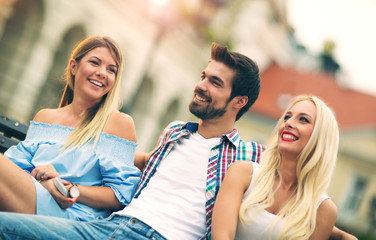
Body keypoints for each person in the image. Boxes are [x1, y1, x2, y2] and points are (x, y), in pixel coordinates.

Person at [0, 43, 356, 240]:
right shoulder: (174, 132)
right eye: (204, 76)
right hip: (106, 227)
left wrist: (339, 235)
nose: (200, 85)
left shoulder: (251, 158)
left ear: (239, 102)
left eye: (215, 83)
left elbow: (291, 192)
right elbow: (140, 160)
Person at [0, 35, 140, 221]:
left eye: (111, 70)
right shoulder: (45, 117)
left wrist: (67, 188)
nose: (102, 73)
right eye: (95, 63)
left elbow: (119, 195)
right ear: (74, 66)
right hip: (30, 200)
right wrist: (44, 182)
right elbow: (17, 169)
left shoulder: (119, 123)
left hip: (72, 216)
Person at [212, 95, 341, 239]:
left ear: (321, 137)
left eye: (303, 119)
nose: (289, 123)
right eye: (287, 117)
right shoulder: (243, 173)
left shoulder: (324, 210)